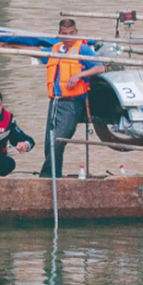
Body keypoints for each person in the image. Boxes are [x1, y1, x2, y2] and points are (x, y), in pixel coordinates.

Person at [39, 18, 105, 177]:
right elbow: (37, 52)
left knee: (58, 142)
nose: (68, 38)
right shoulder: (55, 49)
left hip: (72, 103)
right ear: (59, 34)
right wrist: (14, 45)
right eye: (64, 34)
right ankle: (54, 179)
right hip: (55, 102)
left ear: (76, 33)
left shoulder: (82, 49)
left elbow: (100, 67)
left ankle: (46, 179)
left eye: (71, 34)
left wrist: (79, 75)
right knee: (49, 146)